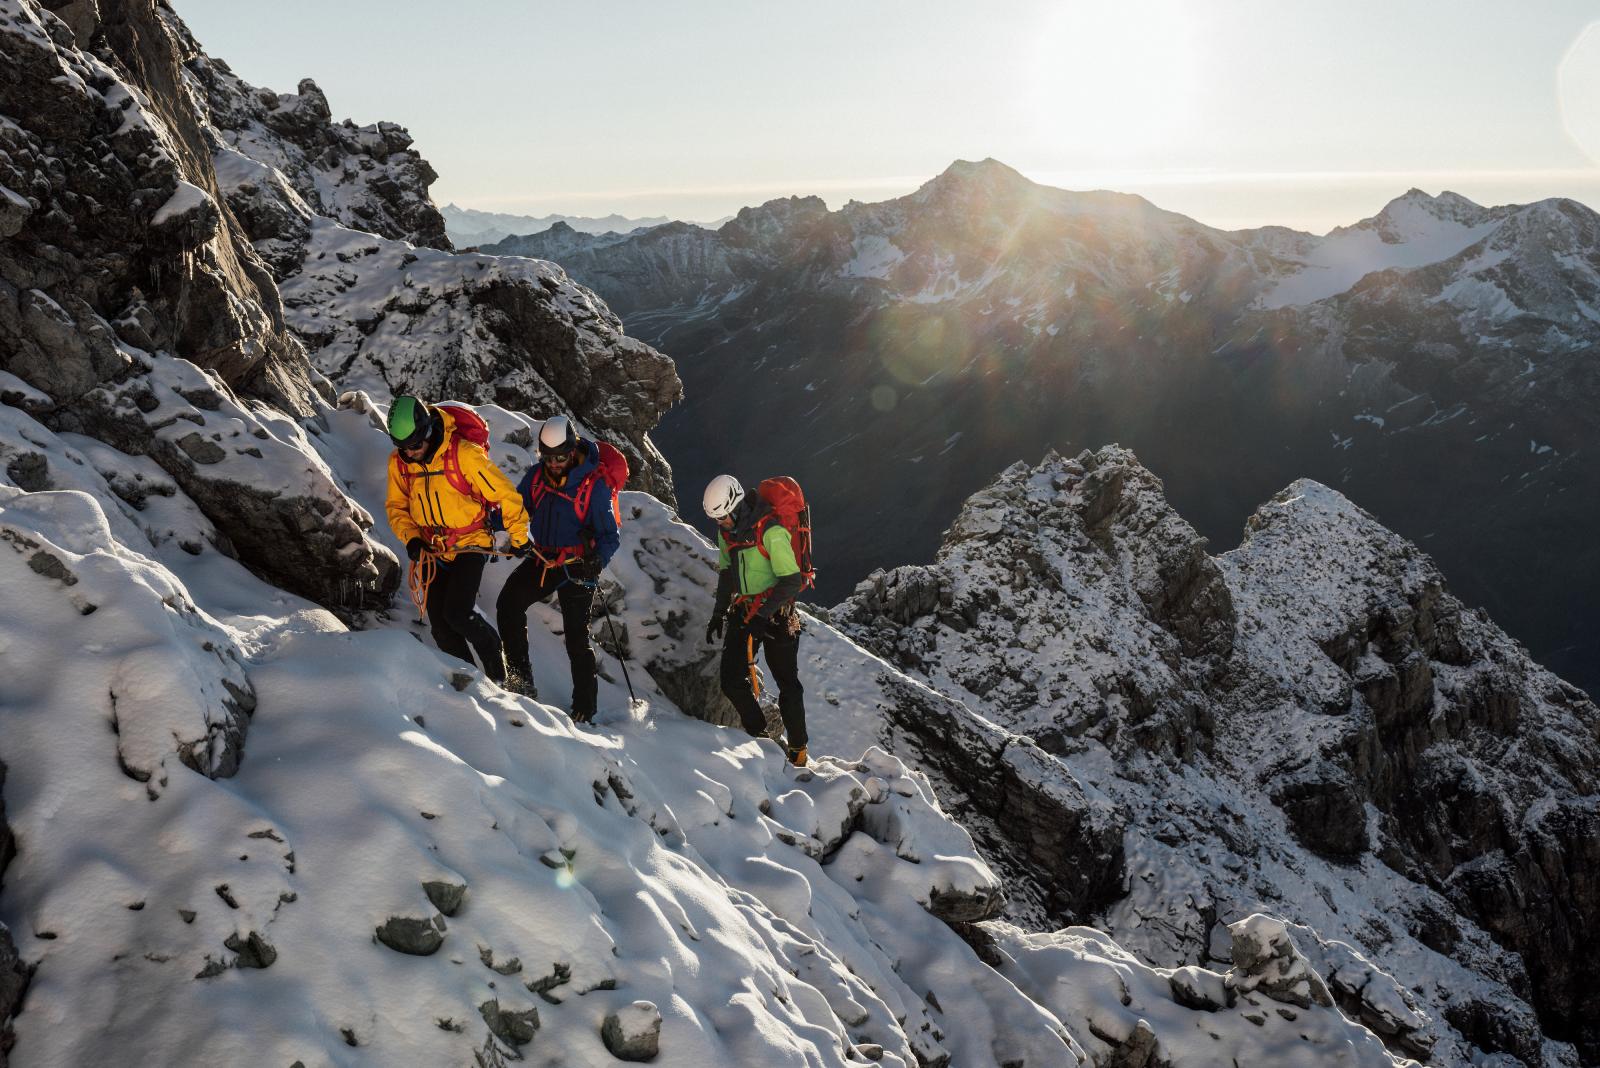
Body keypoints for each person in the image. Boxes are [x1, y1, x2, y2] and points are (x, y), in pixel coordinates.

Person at [385, 395, 529, 685]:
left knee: (458, 613)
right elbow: (397, 507)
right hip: (434, 549)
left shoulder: (464, 453)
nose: (409, 453)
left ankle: (499, 676)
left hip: (470, 543)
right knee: (441, 626)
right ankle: (473, 684)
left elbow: (504, 495)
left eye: (414, 445)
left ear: (427, 431)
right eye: (402, 447)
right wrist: (411, 538)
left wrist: (519, 536)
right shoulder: (400, 463)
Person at [496, 416, 620, 721]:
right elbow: (518, 508)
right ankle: (520, 681)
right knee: (508, 605)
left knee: (577, 637)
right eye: (547, 457)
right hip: (544, 559)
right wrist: (488, 522)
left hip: (578, 566)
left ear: (573, 449)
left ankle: (585, 709)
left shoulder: (595, 486)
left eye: (560, 457)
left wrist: (597, 561)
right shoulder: (537, 477)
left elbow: (609, 537)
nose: (553, 463)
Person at [703, 474, 809, 766]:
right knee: (731, 680)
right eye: (717, 519)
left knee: (787, 684)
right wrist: (718, 612)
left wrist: (762, 615)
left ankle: (798, 752)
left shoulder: (771, 531)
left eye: (723, 517)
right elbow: (727, 573)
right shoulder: (728, 533)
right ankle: (761, 741)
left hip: (776, 613)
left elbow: (791, 580)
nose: (720, 524)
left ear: (735, 508)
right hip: (746, 609)